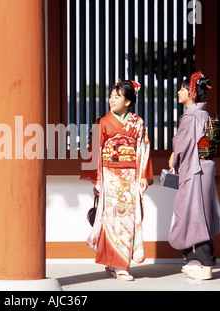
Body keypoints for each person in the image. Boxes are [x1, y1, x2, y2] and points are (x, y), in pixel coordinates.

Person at [80, 80, 153, 281]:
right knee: (111, 220)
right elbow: (95, 151)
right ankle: (116, 265)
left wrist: (143, 176)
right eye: (111, 96)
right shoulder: (103, 122)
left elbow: (143, 150)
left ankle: (119, 264)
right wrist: (96, 180)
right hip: (110, 177)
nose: (112, 99)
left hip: (130, 177)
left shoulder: (137, 122)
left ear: (128, 101)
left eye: (117, 96)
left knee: (127, 220)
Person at [168, 72, 220, 280]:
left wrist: (174, 157)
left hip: (195, 168)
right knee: (197, 210)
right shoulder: (203, 114)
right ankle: (195, 260)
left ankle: (205, 263)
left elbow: (182, 145)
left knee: (194, 213)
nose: (179, 92)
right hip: (204, 165)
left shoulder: (191, 116)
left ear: (191, 93)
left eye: (182, 89)